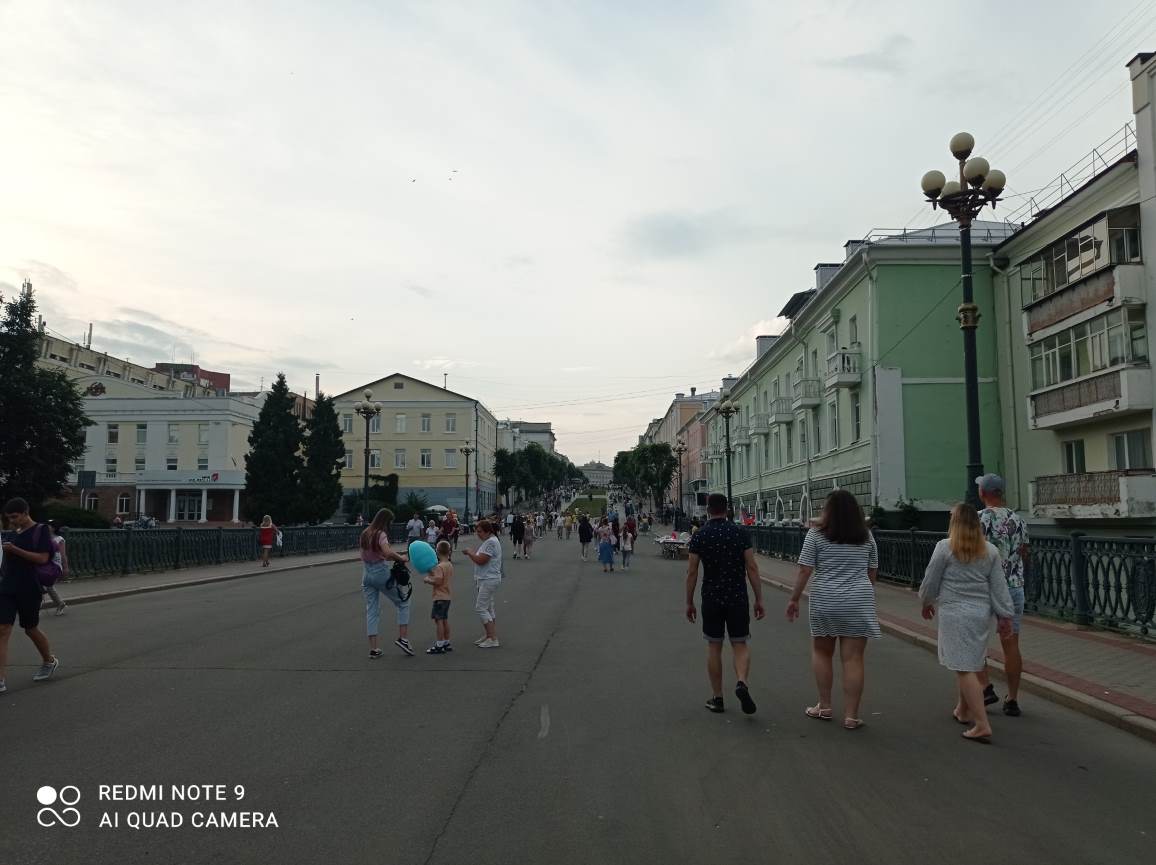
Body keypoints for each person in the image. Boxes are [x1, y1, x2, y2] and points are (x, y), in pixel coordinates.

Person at [919, 503, 1016, 744]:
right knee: (969, 662)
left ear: (956, 523)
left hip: (954, 612)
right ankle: (962, 710)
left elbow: (931, 579)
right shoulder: (990, 551)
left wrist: (926, 601)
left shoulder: (945, 547)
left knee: (963, 668)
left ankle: (982, 724)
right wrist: (1005, 616)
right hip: (980, 614)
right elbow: (998, 587)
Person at [786, 490, 880, 730]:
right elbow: (872, 574)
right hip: (858, 601)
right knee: (853, 659)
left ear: (828, 510)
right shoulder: (866, 536)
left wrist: (794, 599)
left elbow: (805, 570)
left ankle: (825, 706)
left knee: (822, 652)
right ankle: (851, 716)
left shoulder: (816, 535)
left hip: (826, 599)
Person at [685, 493, 765, 714]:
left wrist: (689, 601)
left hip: (711, 597)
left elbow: (692, 572)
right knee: (740, 644)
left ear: (708, 510)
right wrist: (759, 598)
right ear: (727, 509)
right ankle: (741, 682)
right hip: (737, 597)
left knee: (714, 647)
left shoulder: (700, 535)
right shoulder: (740, 533)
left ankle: (718, 698)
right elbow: (752, 567)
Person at [975, 474, 1031, 717]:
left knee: (975, 641)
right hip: (1014, 587)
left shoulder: (979, 519)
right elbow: (1024, 553)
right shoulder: (1018, 519)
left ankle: (985, 687)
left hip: (985, 588)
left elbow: (972, 553)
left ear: (983, 493)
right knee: (1011, 645)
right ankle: (1013, 699)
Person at [0, 498, 60, 693]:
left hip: (29, 587)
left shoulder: (40, 530)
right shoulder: (13, 532)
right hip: (8, 586)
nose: (12, 520)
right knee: (2, 629)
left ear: (26, 512)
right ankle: (0, 679)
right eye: (9, 517)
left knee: (30, 628)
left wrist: (15, 550)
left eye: (15, 516)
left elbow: (42, 558)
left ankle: (49, 661)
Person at [359, 508, 414, 657]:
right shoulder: (380, 534)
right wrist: (401, 558)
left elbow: (371, 555)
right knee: (403, 602)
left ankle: (374, 649)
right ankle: (403, 639)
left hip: (367, 573)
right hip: (380, 573)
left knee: (372, 610)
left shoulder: (365, 533)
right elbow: (387, 553)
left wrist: (392, 556)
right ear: (385, 521)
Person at [463, 519, 502, 648]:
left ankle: (492, 637)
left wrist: (470, 553)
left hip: (488, 578)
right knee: (489, 607)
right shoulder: (491, 541)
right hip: (487, 578)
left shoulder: (490, 542)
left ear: (487, 531)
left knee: (481, 607)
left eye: (479, 531)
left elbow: (481, 560)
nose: (477, 534)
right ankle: (489, 634)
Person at [423, 540, 455, 654]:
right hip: (447, 596)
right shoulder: (449, 565)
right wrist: (432, 572)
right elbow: (442, 577)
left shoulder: (439, 566)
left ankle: (439, 644)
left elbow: (438, 580)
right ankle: (446, 642)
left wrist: (428, 580)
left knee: (439, 620)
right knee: (445, 619)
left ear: (437, 552)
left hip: (439, 596)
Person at [44, 520, 68, 616]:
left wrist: (65, 567)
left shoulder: (59, 539)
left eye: (49, 526)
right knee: (48, 586)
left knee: (47, 585)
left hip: (54, 565)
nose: (47, 527)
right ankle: (60, 603)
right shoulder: (44, 538)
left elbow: (63, 554)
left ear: (54, 528)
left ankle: (60, 604)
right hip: (45, 563)